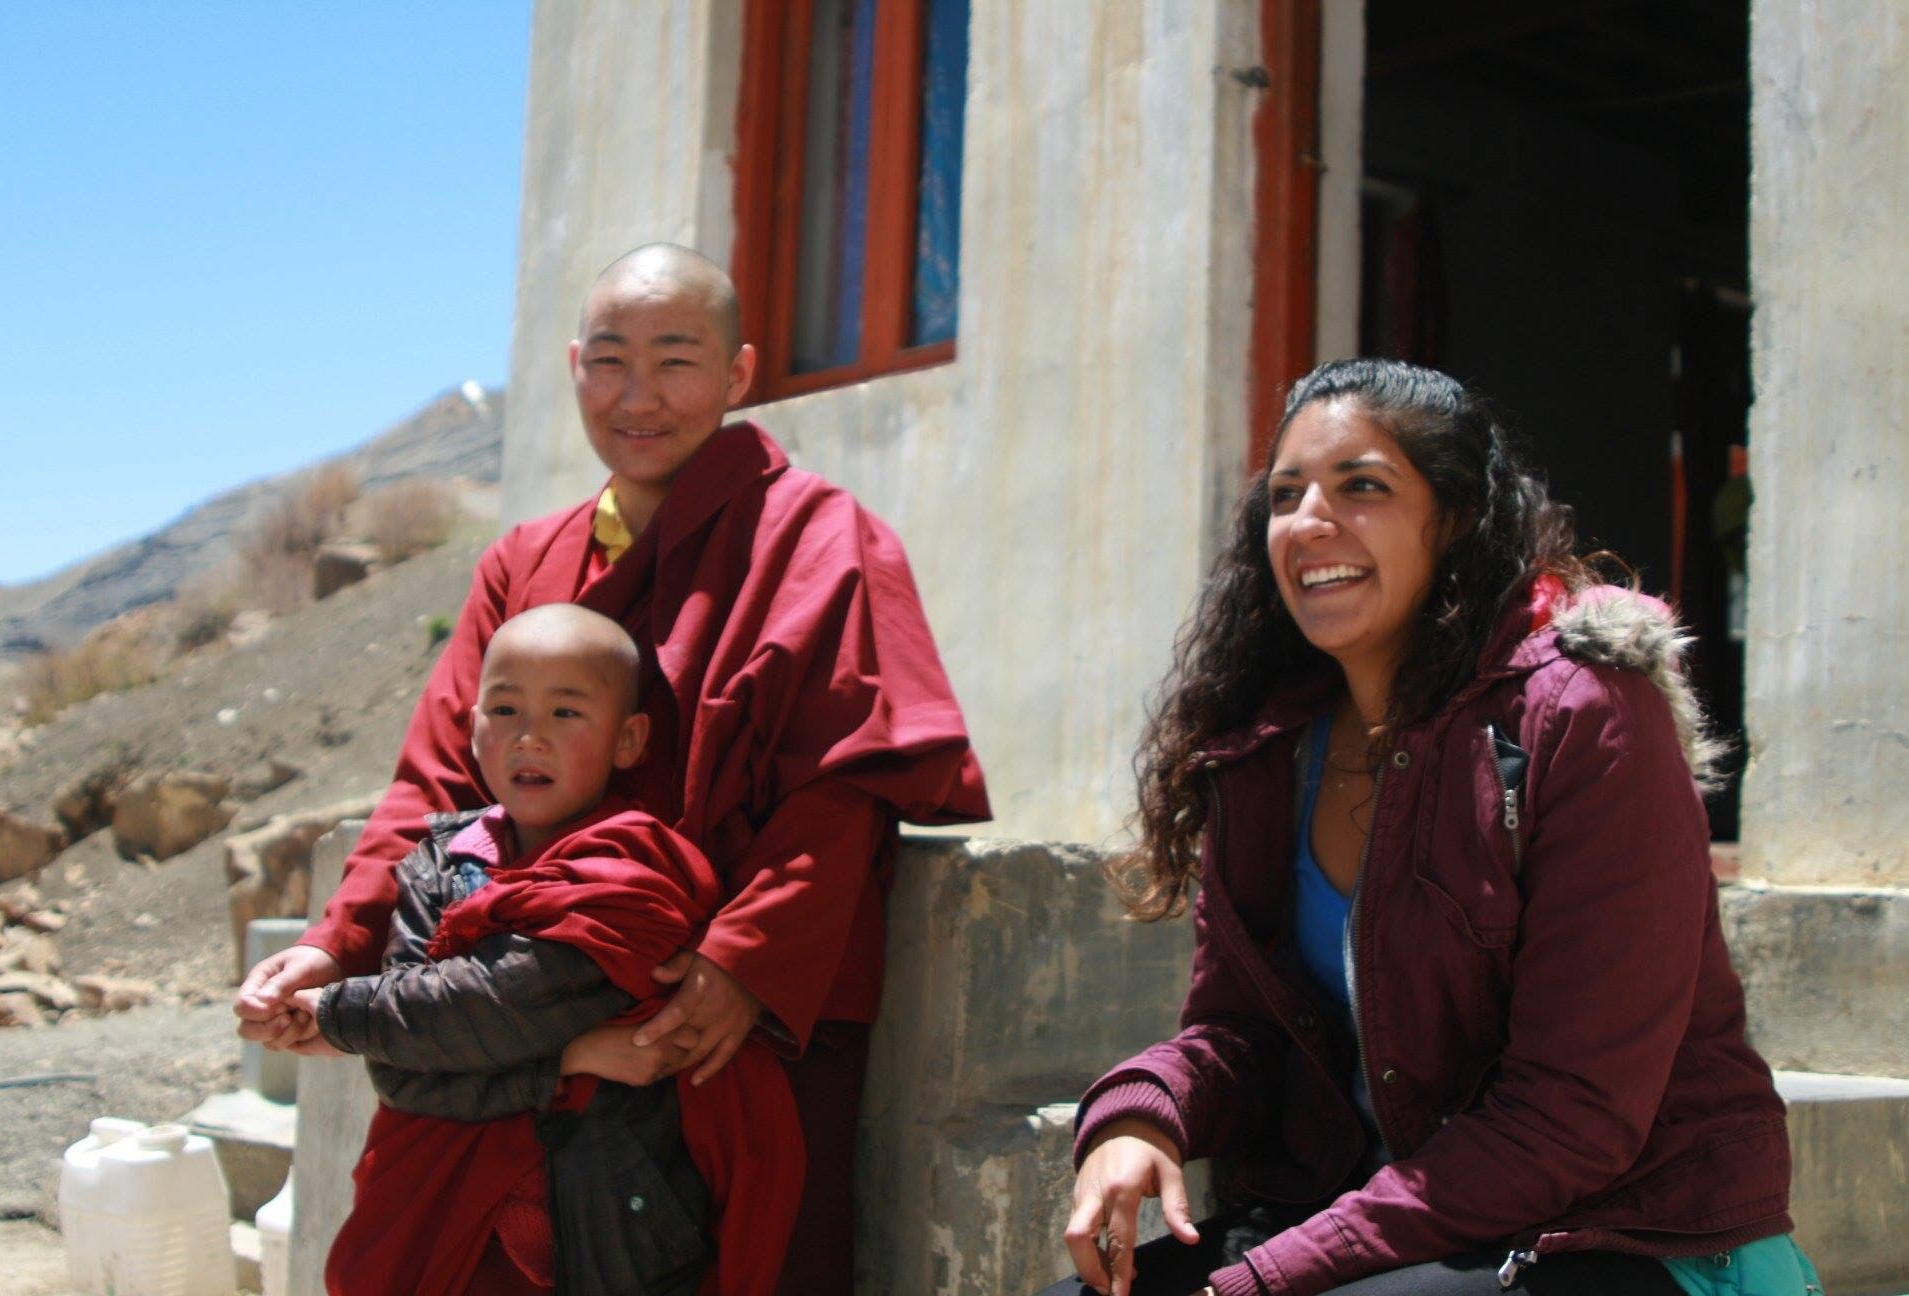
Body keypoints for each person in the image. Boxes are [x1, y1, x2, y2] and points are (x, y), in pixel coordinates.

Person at [237, 244, 990, 1292]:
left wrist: (745, 962)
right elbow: (441, 784)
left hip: (708, 1024)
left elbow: (845, 786)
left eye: (676, 360)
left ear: (736, 375)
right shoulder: (527, 563)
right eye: (610, 362)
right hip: (511, 1013)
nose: (638, 398)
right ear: (573, 366)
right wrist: (342, 941)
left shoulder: (820, 539)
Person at [1052, 359, 1816, 1296]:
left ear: (1453, 519)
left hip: (1617, 1229)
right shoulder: (1263, 752)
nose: (1309, 522)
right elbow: (1242, 1035)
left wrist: (1273, 1272)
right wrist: (1144, 1113)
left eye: (1361, 486)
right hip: (1379, 1220)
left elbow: (1570, 1119)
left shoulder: (1583, 713)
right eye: (1287, 495)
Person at [272, 603, 802, 1295]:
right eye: (505, 709)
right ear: (471, 731)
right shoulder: (437, 864)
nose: (530, 738)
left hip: (612, 1215)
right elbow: (402, 1069)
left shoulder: (634, 869)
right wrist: (569, 1059)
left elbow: (500, 1004)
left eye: (566, 713)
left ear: (629, 739)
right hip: (458, 1229)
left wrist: (341, 1015)